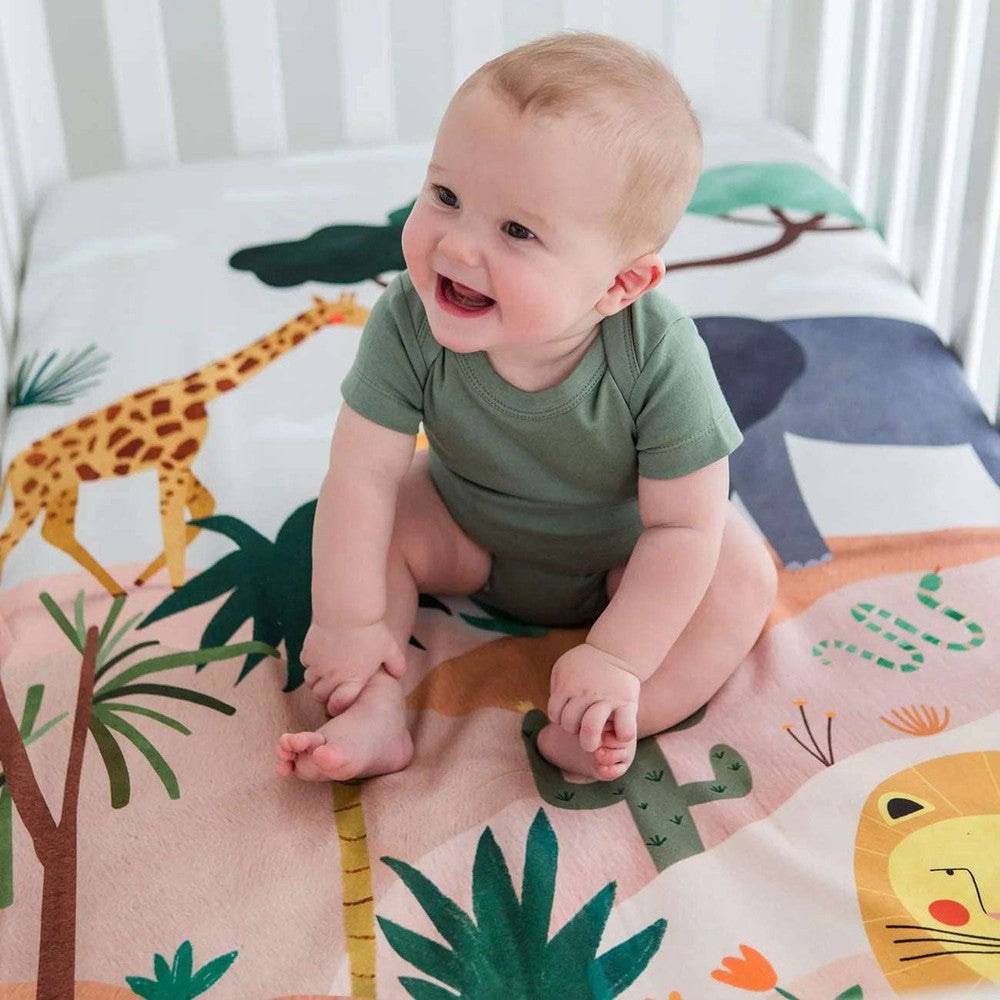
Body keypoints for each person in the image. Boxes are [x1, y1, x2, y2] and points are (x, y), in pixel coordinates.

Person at [275, 32, 777, 785]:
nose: (457, 247)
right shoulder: (407, 317)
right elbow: (361, 475)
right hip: (467, 531)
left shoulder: (659, 354)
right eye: (446, 196)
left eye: (517, 231)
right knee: (370, 519)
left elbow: (681, 527)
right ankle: (375, 708)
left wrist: (617, 658)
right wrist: (346, 620)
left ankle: (616, 716)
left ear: (620, 287)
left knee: (738, 574)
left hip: (624, 559)